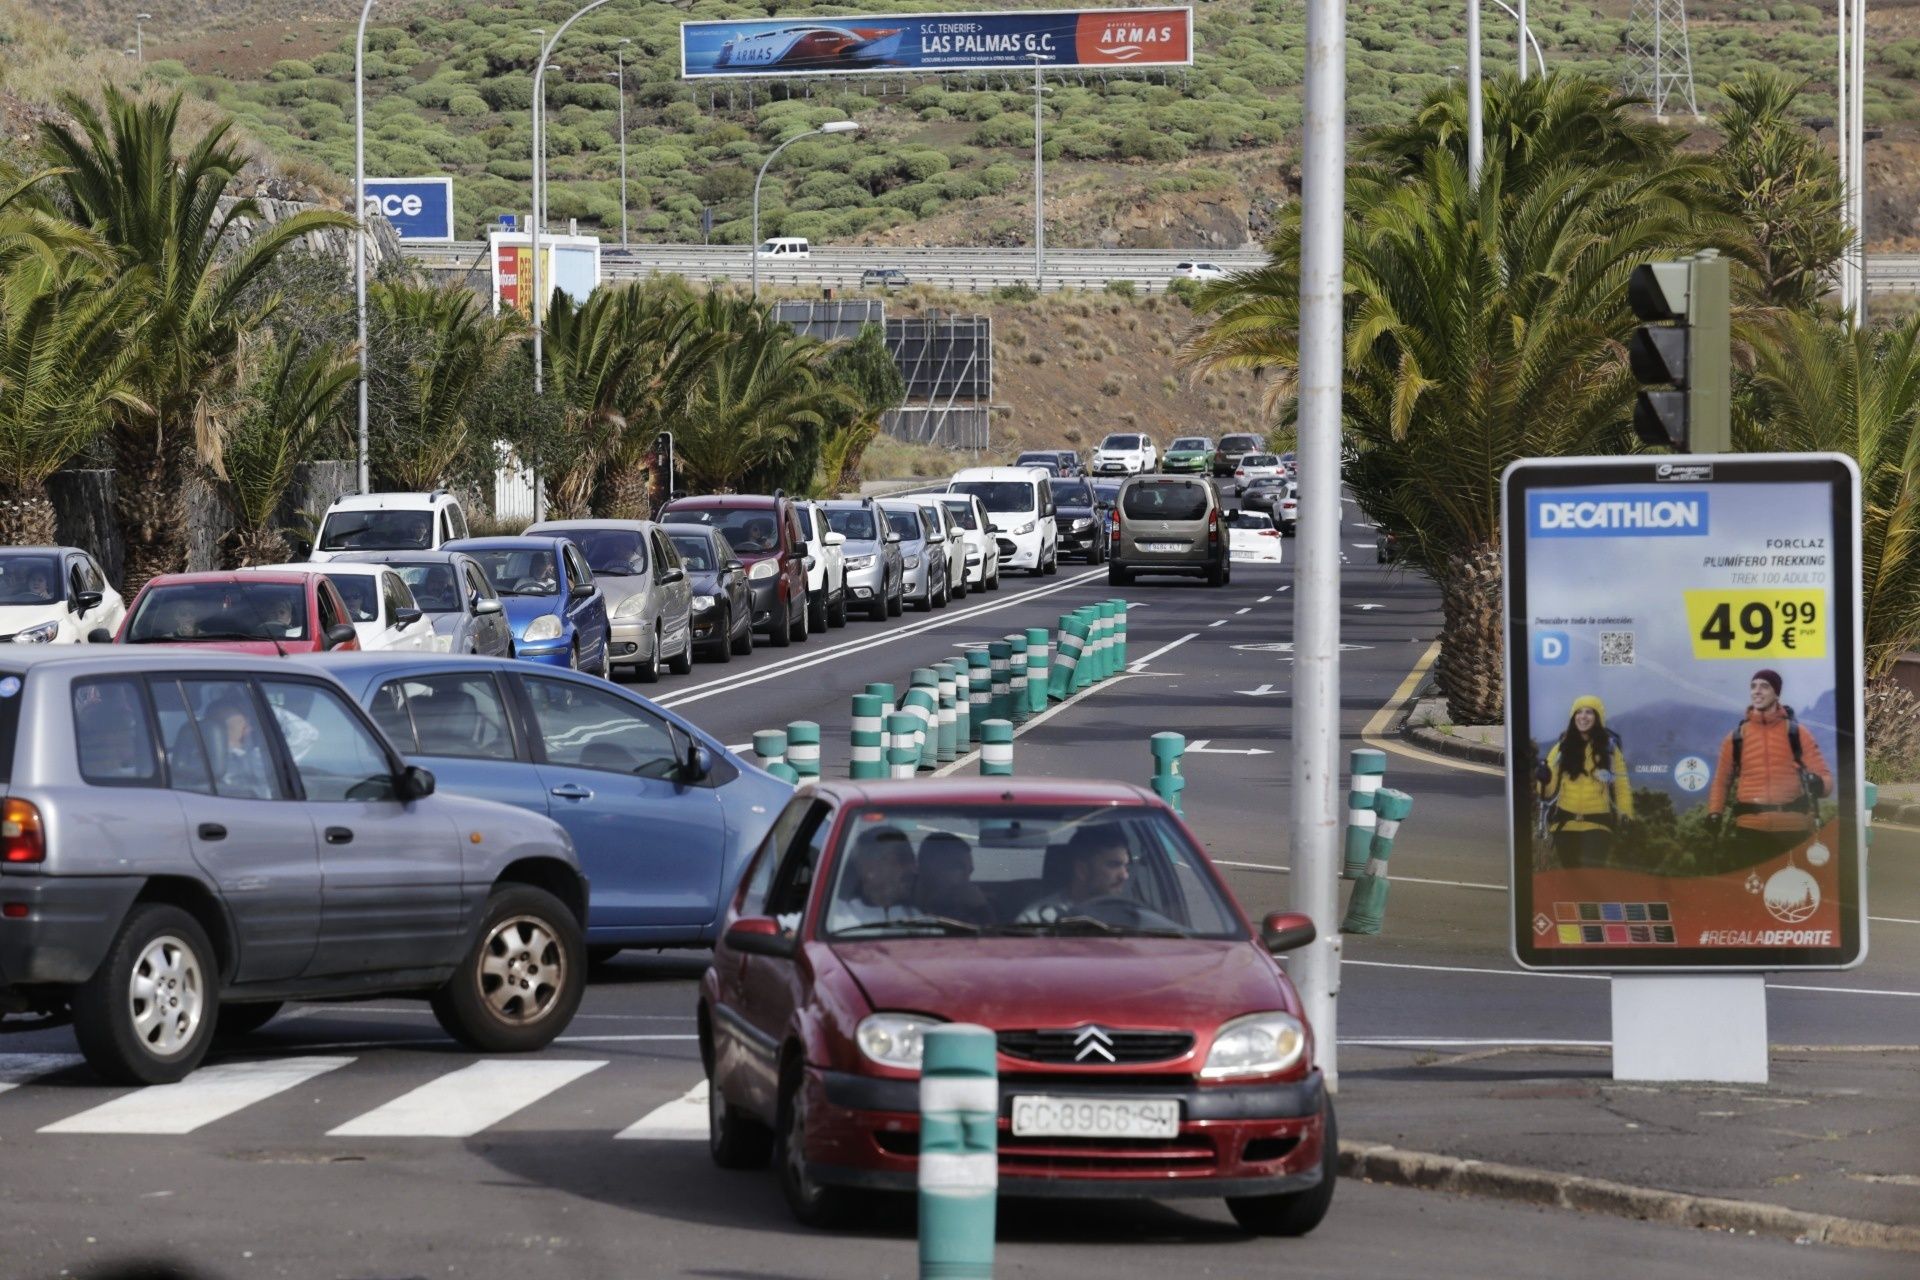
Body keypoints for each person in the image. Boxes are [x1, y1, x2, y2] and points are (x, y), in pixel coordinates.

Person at [1706, 669, 1833, 865]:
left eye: (1764, 686)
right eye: (1753, 686)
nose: (1757, 691)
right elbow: (1721, 782)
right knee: (1749, 892)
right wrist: (1715, 813)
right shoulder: (1735, 738)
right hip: (1749, 831)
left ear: (1776, 693)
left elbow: (1825, 778)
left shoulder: (1798, 734)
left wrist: (1818, 784)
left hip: (1793, 831)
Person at [1533, 695, 1633, 869]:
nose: (1583, 716)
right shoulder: (1561, 748)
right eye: (1579, 712)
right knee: (1572, 881)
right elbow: (1546, 791)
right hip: (1564, 826)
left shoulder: (1610, 750)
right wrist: (1543, 778)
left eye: (1589, 712)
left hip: (1598, 826)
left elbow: (1621, 786)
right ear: (1573, 717)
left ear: (1598, 717)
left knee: (1590, 878)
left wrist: (1626, 814)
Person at [1018, 824, 1133, 923]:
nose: (1124, 875)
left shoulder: (1135, 918)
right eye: (1113, 865)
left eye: (1126, 866)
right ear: (1081, 870)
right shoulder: (1037, 920)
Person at [824, 826, 919, 932]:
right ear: (869, 869)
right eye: (902, 859)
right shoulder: (835, 923)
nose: (913, 868)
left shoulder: (923, 920)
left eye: (912, 858)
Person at [203, 693, 276, 799]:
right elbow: (304, 734)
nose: (251, 729)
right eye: (246, 725)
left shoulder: (177, 761)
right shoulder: (258, 762)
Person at [913, 832, 994, 926]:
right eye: (958, 868)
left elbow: (994, 937)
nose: (966, 878)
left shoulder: (967, 908)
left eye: (969, 871)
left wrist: (981, 909)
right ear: (929, 866)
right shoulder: (899, 904)